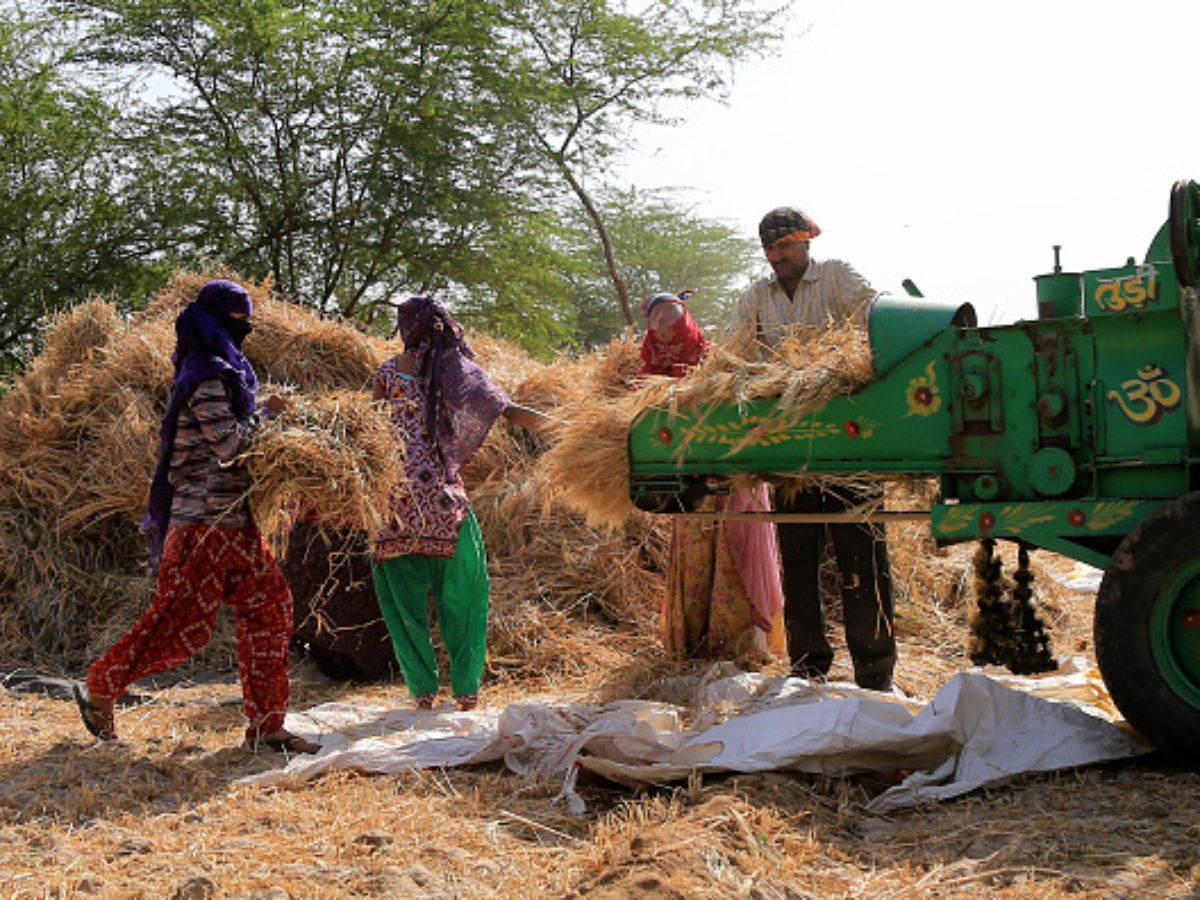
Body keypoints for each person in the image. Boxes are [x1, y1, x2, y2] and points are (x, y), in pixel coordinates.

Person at [74, 279, 319, 754]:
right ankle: (101, 686)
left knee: (271, 609)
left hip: (238, 526)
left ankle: (268, 726)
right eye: (238, 320)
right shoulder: (204, 376)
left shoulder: (228, 374)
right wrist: (268, 415)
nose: (245, 328)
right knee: (181, 630)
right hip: (202, 526)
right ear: (216, 321)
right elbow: (229, 446)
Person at [729, 207, 896, 691]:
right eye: (769, 250)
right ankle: (807, 665)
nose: (776, 257)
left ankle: (874, 670)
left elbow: (876, 318)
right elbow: (734, 353)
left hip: (849, 438)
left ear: (806, 243)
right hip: (790, 445)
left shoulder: (837, 277)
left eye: (784, 246)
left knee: (861, 557)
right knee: (798, 558)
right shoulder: (756, 298)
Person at [371, 295, 549, 711]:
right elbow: (504, 409)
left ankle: (422, 693)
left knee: (403, 600)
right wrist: (565, 426)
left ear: (406, 328)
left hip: (392, 499)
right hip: (441, 498)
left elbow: (368, 429)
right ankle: (466, 691)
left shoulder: (387, 373)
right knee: (465, 592)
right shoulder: (454, 370)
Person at [639, 291, 786, 665]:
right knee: (697, 560)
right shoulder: (646, 375)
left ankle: (739, 647)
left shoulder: (720, 365)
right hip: (687, 486)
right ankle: (694, 648)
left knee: (735, 551)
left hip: (733, 480)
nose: (667, 332)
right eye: (658, 323)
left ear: (687, 321)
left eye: (672, 320)